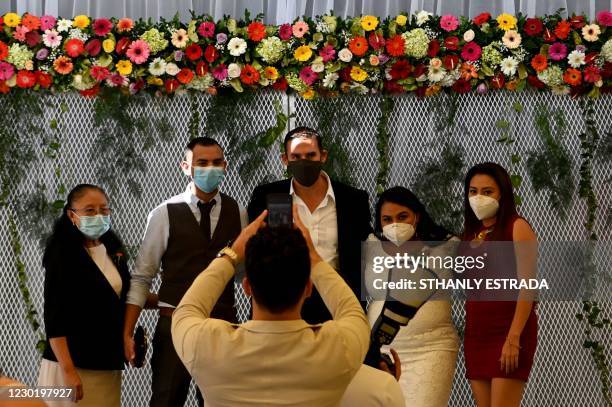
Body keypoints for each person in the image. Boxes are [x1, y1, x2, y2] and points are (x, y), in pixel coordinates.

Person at [171, 206, 403, 406]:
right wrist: (315, 258)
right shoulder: (339, 347)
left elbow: (186, 309)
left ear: (247, 287)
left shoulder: (206, 344)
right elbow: (351, 310)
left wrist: (231, 254)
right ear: (308, 288)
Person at [123, 137, 248, 407]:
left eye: (216, 162)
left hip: (223, 327)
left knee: (223, 402)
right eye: (202, 163)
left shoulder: (237, 212)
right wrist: (127, 331)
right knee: (166, 400)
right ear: (185, 166)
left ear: (225, 166)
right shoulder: (164, 213)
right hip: (174, 327)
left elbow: (243, 275)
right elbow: (143, 277)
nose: (210, 168)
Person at [247, 126, 372, 323]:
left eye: (310, 155)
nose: (303, 162)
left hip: (337, 299)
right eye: (296, 157)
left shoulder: (352, 199)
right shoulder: (272, 196)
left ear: (323, 156)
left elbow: (362, 254)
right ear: (285, 159)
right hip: (284, 301)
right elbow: (257, 249)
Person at [365, 186, 460, 406]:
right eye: (387, 219)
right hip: (380, 351)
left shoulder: (447, 245)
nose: (394, 224)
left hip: (431, 349)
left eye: (402, 216)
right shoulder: (371, 246)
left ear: (416, 216)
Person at [37, 184, 131, 407]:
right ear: (72, 215)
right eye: (89, 210)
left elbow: (123, 295)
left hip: (106, 363)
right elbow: (55, 319)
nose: (98, 215)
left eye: (104, 209)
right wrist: (69, 372)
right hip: (69, 367)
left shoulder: (112, 250)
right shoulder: (62, 255)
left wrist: (172, 299)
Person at [460, 162, 538, 407]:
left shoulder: (517, 227)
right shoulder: (469, 234)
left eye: (487, 191)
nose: (479, 197)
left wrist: (513, 337)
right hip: (476, 333)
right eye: (473, 191)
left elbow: (528, 288)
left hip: (508, 332)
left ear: (502, 193)